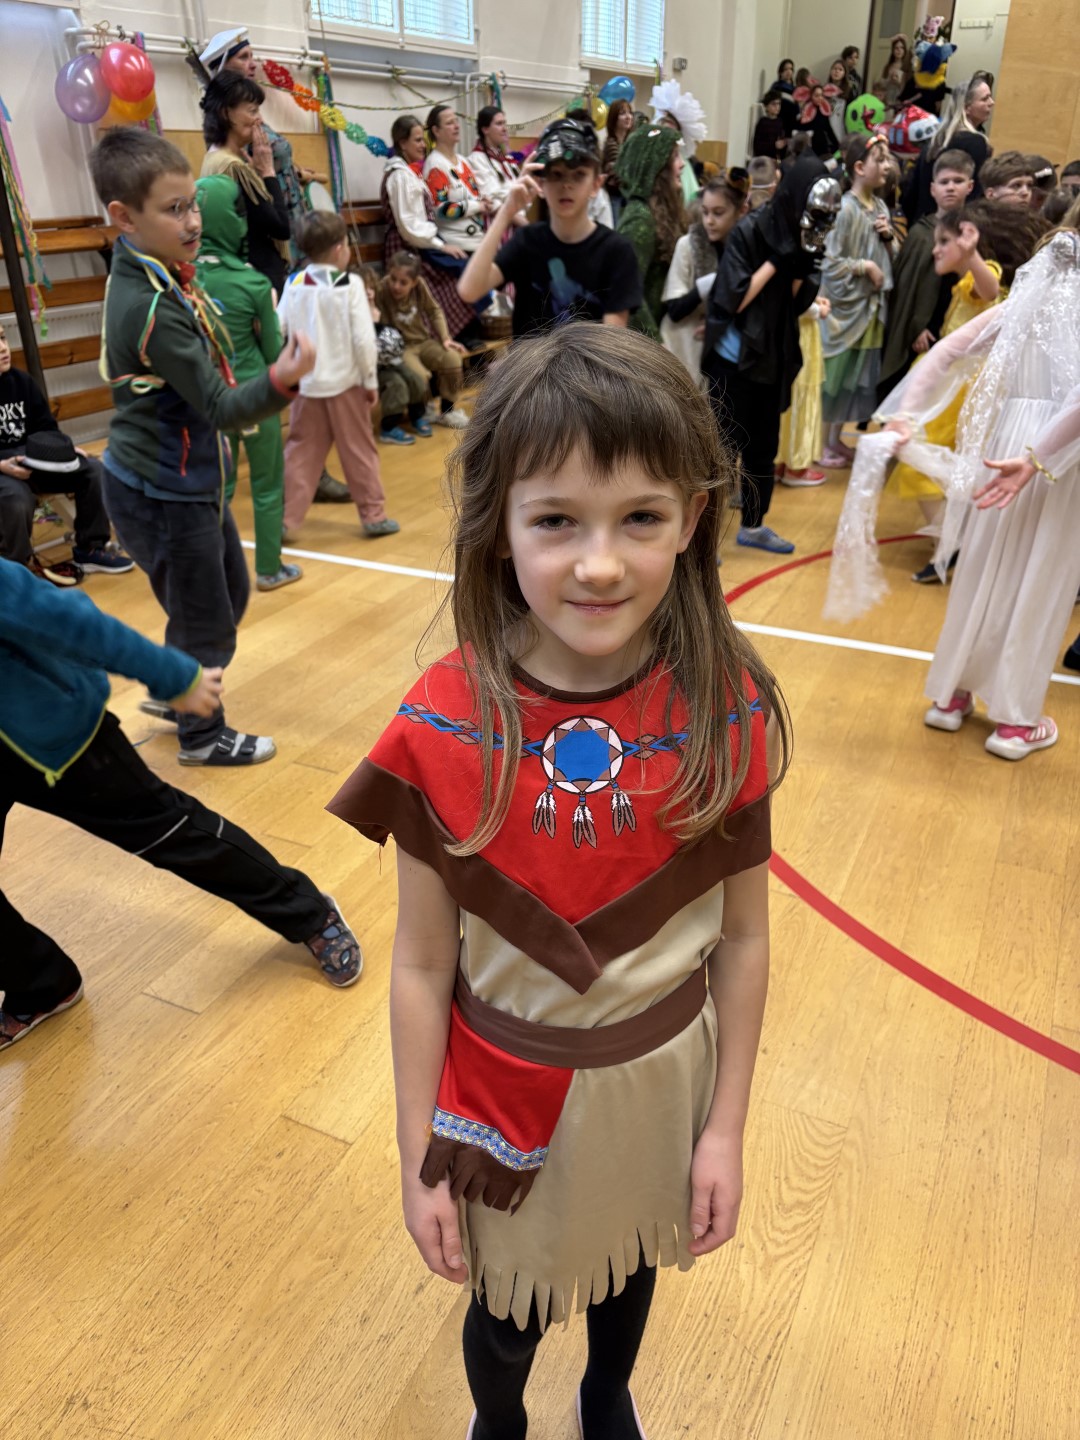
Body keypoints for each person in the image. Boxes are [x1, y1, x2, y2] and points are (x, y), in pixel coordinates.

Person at [326, 323, 788, 1440]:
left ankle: (606, 1394)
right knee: (507, 1314)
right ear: (498, 527)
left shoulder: (722, 707)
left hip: (663, 1083)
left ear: (694, 518)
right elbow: (422, 965)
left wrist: (724, 1129)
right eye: (556, 521)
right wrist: (415, 1155)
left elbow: (742, 940)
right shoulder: (443, 725)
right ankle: (502, 1422)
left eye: (641, 518)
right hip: (501, 1094)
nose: (599, 564)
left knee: (631, 1270)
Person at [0, 556, 362, 1050]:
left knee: (175, 834)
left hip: (54, 739)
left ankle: (309, 914)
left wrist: (175, 676)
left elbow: (66, 620)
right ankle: (41, 984)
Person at [90, 127, 313, 768]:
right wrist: (283, 379)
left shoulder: (160, 273)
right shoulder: (152, 306)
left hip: (184, 479)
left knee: (225, 595)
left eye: (191, 204)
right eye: (173, 209)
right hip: (161, 488)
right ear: (124, 218)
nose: (192, 221)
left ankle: (175, 687)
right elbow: (218, 405)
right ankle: (201, 734)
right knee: (205, 618)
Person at [880, 222, 1080, 760]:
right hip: (1059, 454)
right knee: (1040, 578)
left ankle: (951, 696)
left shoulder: (1026, 304)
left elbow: (946, 352)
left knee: (984, 566)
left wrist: (905, 415)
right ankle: (1015, 720)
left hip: (1006, 440)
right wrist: (1038, 458)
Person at [704, 155, 841, 553]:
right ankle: (702, 541)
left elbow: (794, 304)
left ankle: (753, 525)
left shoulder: (806, 233)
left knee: (763, 450)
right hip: (734, 361)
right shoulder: (750, 230)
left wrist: (799, 268)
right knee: (721, 452)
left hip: (772, 359)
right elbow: (733, 299)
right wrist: (775, 262)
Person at [194, 175, 300, 593]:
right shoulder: (253, 282)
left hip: (210, 398)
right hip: (255, 396)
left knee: (218, 488)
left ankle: (216, 572)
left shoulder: (183, 281)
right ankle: (269, 569)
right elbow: (274, 353)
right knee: (266, 484)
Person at [887, 203, 1004, 577]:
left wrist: (971, 256)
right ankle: (954, 539)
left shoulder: (978, 275)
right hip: (950, 384)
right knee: (932, 464)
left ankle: (953, 543)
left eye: (944, 241)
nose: (935, 249)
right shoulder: (960, 284)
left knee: (918, 461)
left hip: (957, 390)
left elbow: (990, 290)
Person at [458, 117, 642, 336]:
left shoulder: (616, 251)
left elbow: (612, 339)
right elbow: (469, 290)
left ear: (596, 185)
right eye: (556, 174)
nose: (566, 185)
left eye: (579, 175)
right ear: (540, 183)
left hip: (586, 359)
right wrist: (507, 211)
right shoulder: (527, 241)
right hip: (530, 358)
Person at [277, 212, 397, 543]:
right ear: (339, 248)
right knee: (359, 451)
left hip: (306, 386)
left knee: (300, 453)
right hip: (347, 385)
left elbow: (278, 327)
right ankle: (374, 516)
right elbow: (364, 340)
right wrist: (370, 381)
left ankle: (286, 520)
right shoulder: (350, 285)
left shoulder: (294, 283)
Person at [0, 323, 132, 584]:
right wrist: (2, 464)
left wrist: (64, 450)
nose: (3, 348)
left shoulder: (22, 382)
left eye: (3, 338)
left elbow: (46, 428)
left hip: (32, 460)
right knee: (15, 499)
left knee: (92, 470)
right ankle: (16, 577)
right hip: (3, 468)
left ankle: (90, 549)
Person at [197, 28, 320, 265]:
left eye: (252, 56)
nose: (253, 64)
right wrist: (266, 173)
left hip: (284, 210)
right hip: (269, 228)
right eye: (243, 57)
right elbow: (269, 224)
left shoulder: (242, 123)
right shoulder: (232, 151)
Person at [819, 135, 897, 467]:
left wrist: (888, 237)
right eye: (880, 159)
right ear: (860, 167)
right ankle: (820, 444)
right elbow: (830, 261)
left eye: (887, 159)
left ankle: (836, 439)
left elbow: (890, 254)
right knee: (834, 378)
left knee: (854, 377)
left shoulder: (880, 207)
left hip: (870, 308)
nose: (887, 166)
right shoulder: (845, 209)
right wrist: (865, 266)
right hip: (845, 310)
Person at [879, 149, 975, 400]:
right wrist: (917, 327)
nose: (950, 187)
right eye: (944, 182)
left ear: (970, 186)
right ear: (933, 189)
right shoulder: (920, 234)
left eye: (958, 181)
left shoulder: (973, 233)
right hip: (920, 334)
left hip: (955, 329)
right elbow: (906, 289)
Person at [381, 113, 477, 341]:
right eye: (417, 140)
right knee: (452, 277)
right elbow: (409, 226)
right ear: (402, 143)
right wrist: (440, 246)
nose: (423, 145)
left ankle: (459, 340)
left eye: (422, 140)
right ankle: (447, 341)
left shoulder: (409, 173)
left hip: (419, 243)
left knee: (461, 268)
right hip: (406, 249)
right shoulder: (399, 176)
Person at [200, 71, 291, 297]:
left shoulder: (214, 157)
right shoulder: (232, 166)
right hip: (257, 279)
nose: (259, 119)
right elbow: (281, 228)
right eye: (252, 111)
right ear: (226, 113)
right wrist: (268, 172)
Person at [661, 170, 749, 385]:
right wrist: (708, 284)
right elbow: (674, 309)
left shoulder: (744, 251)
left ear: (740, 211)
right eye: (705, 212)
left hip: (717, 351)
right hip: (682, 343)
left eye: (718, 213)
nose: (709, 221)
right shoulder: (688, 245)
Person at [376, 251, 469, 431]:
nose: (396, 286)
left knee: (452, 358)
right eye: (393, 279)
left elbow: (434, 311)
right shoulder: (381, 289)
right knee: (420, 374)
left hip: (423, 341)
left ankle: (448, 411)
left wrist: (445, 338)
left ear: (414, 282)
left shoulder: (420, 287)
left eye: (403, 282)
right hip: (401, 348)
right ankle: (423, 410)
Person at [615, 120, 687, 338]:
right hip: (646, 343)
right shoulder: (639, 218)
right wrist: (656, 343)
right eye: (675, 157)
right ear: (656, 166)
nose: (682, 164)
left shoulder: (659, 210)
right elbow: (628, 292)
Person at [904, 77, 994, 223]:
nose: (991, 102)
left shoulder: (935, 140)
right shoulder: (976, 143)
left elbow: (910, 197)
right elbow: (975, 197)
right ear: (966, 108)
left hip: (923, 224)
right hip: (953, 226)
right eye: (985, 99)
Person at [360, 265, 431, 446]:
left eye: (371, 288)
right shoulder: (354, 314)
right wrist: (374, 324)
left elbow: (390, 338)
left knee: (415, 379)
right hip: (370, 367)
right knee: (397, 384)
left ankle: (417, 416)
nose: (368, 293)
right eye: (363, 288)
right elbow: (370, 346)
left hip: (389, 360)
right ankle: (389, 427)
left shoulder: (377, 308)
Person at [423, 105, 496, 256]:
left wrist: (483, 200)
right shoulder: (435, 165)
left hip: (478, 240)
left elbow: (474, 195)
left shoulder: (463, 161)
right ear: (436, 131)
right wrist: (477, 206)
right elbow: (441, 210)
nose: (456, 126)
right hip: (458, 246)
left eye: (456, 121)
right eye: (449, 123)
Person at [469, 106, 526, 224]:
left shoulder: (507, 160)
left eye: (505, 123)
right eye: (499, 124)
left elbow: (522, 194)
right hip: (498, 225)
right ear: (485, 129)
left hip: (518, 220)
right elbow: (492, 202)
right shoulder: (477, 159)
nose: (504, 129)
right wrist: (523, 223)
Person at [601, 98, 635, 218]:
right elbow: (619, 174)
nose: (628, 117)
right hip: (615, 197)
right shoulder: (611, 144)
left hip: (626, 196)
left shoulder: (628, 143)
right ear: (614, 118)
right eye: (622, 113)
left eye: (630, 113)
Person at [882, 35, 913, 113]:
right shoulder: (888, 66)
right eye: (896, 48)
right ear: (893, 50)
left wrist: (898, 83)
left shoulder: (907, 67)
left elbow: (908, 89)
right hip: (888, 102)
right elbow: (883, 85)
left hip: (901, 103)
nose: (899, 50)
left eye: (901, 48)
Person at [752, 91, 787, 161]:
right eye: (773, 104)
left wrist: (784, 143)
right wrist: (774, 145)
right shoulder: (763, 122)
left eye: (779, 104)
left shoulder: (780, 122)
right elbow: (757, 146)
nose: (777, 107)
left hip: (777, 159)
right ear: (766, 106)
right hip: (764, 159)